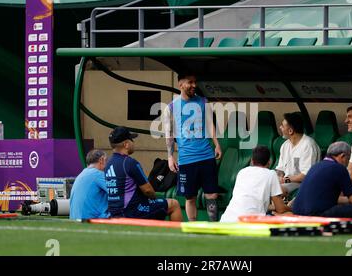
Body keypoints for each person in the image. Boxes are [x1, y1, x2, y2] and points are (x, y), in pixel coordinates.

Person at [163, 73, 222, 221]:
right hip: (187, 160)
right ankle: (193, 226)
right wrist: (170, 157)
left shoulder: (203, 101)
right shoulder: (171, 107)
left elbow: (210, 125)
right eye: (190, 82)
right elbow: (168, 134)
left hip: (206, 156)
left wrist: (217, 145)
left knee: (212, 195)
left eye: (195, 82)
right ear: (180, 85)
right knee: (190, 198)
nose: (194, 85)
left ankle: (213, 226)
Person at [105, 126, 182, 221]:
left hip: (113, 212)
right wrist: (154, 197)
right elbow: (148, 190)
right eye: (131, 140)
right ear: (126, 144)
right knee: (174, 204)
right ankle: (176, 235)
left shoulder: (108, 163)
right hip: (131, 211)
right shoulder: (130, 162)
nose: (134, 142)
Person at [292, 142, 352, 220]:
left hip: (297, 213)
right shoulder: (339, 168)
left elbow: (334, 199)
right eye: (348, 159)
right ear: (343, 156)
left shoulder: (315, 166)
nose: (348, 163)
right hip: (316, 215)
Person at [220, 146, 291, 222]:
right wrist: (291, 207)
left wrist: (274, 207)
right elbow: (280, 209)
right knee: (289, 214)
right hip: (250, 224)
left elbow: (252, 202)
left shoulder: (242, 172)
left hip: (226, 220)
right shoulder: (271, 174)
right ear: (269, 162)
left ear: (252, 161)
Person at [275, 112, 320, 195]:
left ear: (290, 131)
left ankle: (280, 208)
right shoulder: (285, 145)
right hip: (288, 182)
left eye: (282, 126)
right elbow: (280, 169)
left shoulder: (308, 145)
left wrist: (285, 180)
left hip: (304, 184)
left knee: (278, 190)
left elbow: (306, 175)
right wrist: (276, 177)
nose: (280, 127)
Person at [69, 149, 110, 220]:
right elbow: (117, 192)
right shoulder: (98, 174)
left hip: (74, 219)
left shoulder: (81, 174)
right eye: (106, 161)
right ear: (101, 160)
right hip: (91, 220)